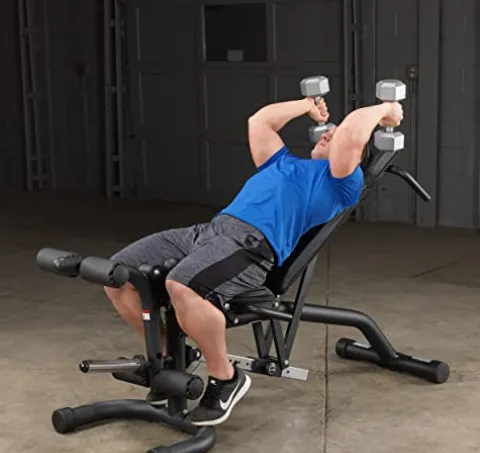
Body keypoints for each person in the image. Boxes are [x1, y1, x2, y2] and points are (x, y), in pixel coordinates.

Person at [104, 94, 404, 427]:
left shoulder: (342, 183)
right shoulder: (281, 162)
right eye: (327, 131)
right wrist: (306, 105)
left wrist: (386, 110)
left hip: (251, 245)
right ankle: (167, 358)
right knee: (118, 274)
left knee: (183, 285)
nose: (329, 133)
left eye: (337, 135)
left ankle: (226, 378)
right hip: (209, 231)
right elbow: (260, 122)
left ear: (355, 157)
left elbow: (351, 132)